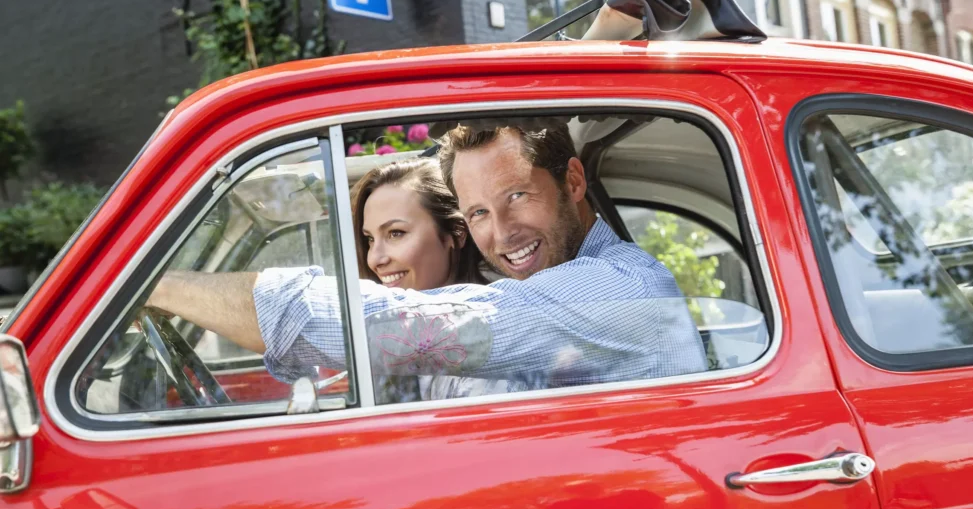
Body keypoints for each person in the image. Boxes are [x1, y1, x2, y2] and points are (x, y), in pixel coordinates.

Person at [146, 122, 706, 393]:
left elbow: (413, 326)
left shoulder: (616, 287)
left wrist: (152, 286)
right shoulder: (552, 283)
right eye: (479, 213)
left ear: (574, 181)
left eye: (517, 196)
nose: (503, 233)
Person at [351, 157, 513, 401]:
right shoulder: (403, 332)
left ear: (456, 233)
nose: (375, 259)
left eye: (396, 233)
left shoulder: (490, 333)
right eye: (370, 239)